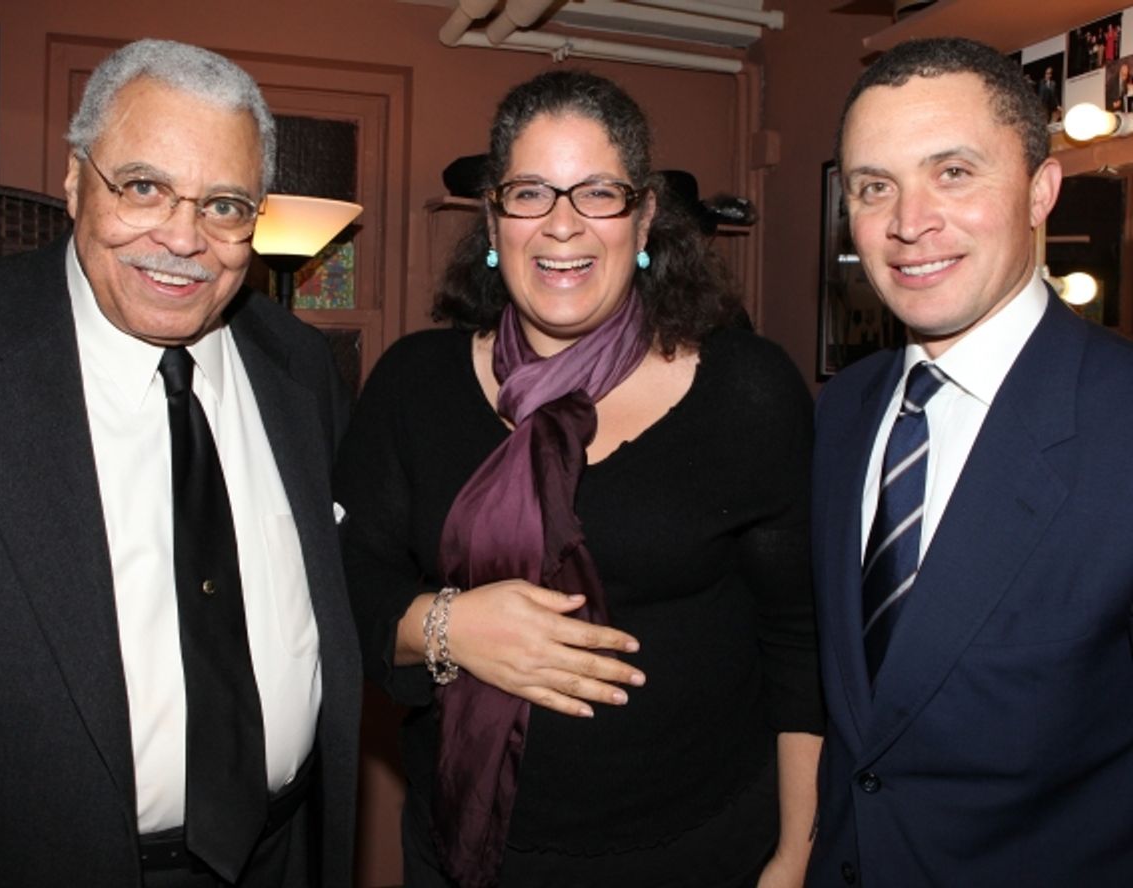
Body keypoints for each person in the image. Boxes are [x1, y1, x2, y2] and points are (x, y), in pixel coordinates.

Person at [335, 69, 824, 888]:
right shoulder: (412, 384)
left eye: (598, 192)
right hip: (466, 853)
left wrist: (794, 856)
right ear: (493, 218)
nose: (562, 225)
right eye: (530, 193)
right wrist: (448, 625)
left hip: (703, 853)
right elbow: (341, 588)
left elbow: (801, 641)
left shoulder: (748, 388)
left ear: (644, 220)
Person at [0, 39, 361, 887]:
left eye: (225, 205)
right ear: (73, 180)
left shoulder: (301, 370)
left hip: (288, 854)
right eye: (143, 187)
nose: (182, 238)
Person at [807, 36, 1133, 887]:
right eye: (876, 186)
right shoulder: (843, 409)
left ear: (1041, 191)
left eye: (953, 172)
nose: (909, 222)